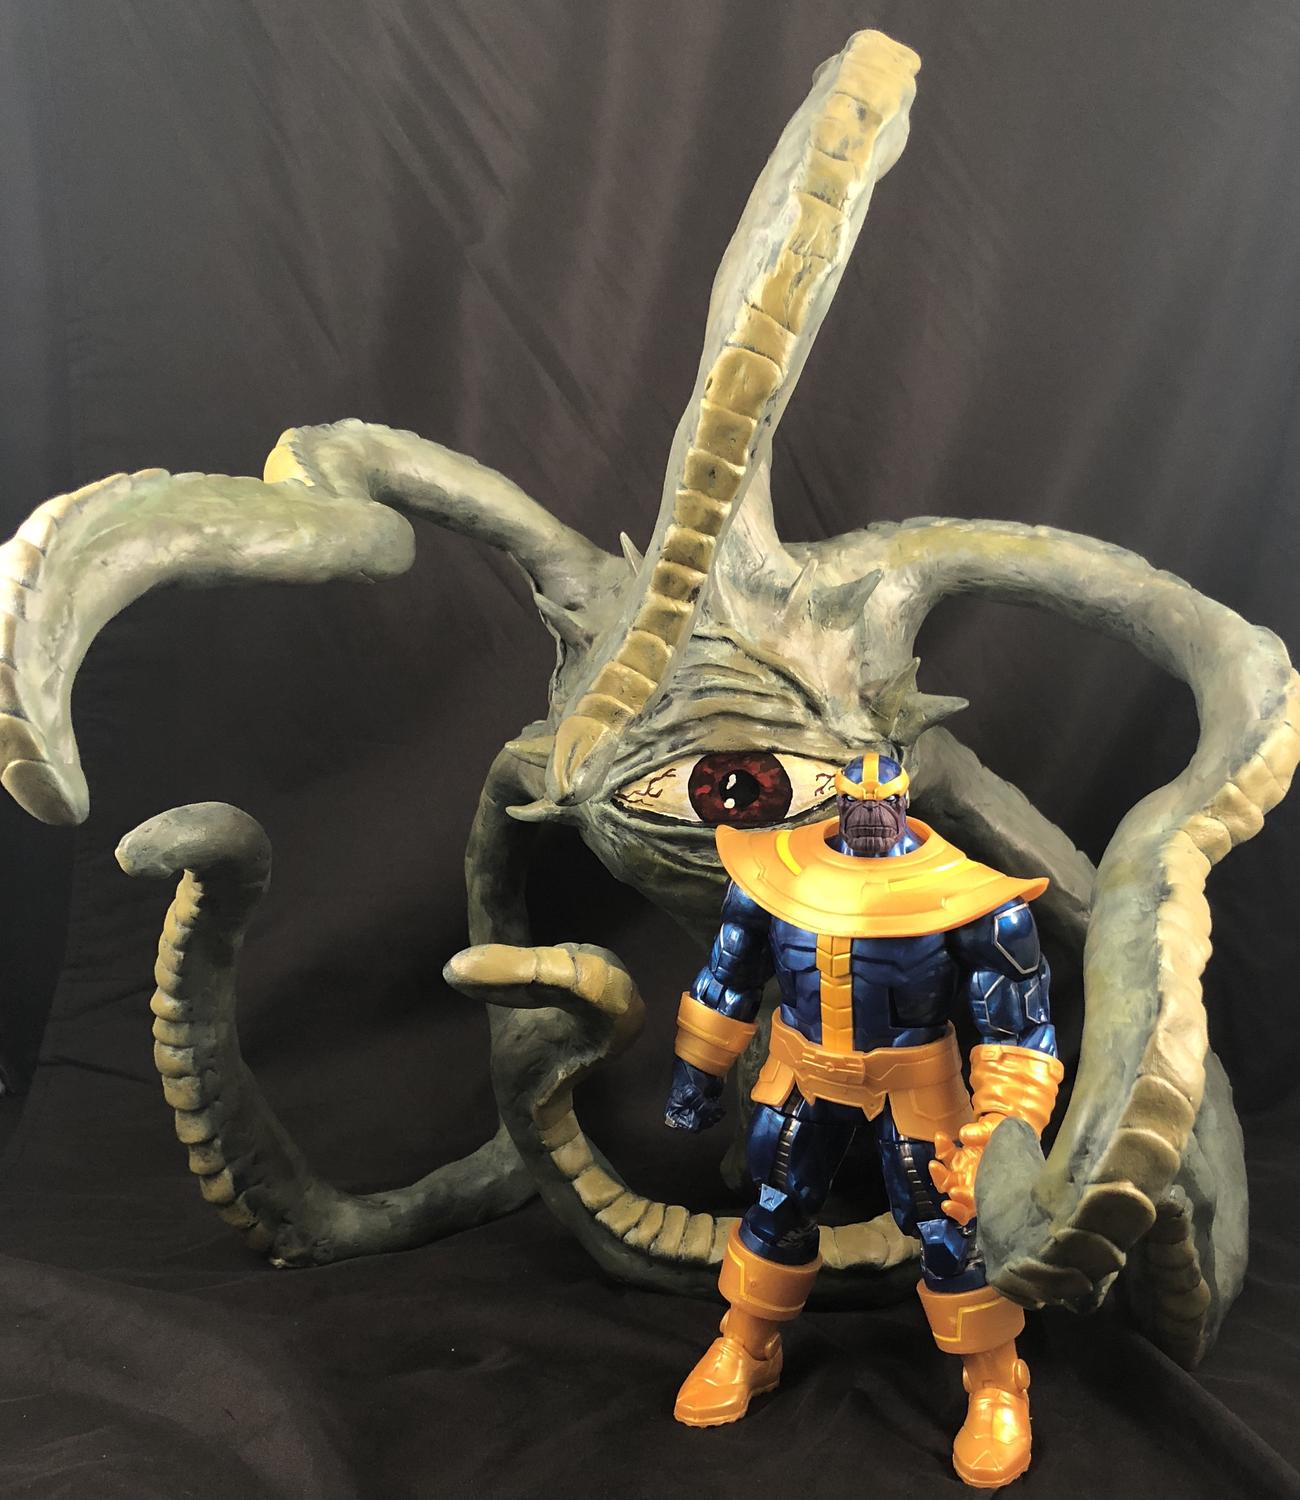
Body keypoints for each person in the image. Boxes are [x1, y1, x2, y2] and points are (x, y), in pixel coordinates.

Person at [665, 751, 1063, 1489]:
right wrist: (699, 1071)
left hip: (913, 1082)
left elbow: (1017, 1026)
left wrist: (1002, 1130)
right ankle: (748, 1346)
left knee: (951, 1222)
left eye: (886, 803)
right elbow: (729, 974)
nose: (873, 817)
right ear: (838, 803)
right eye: (858, 803)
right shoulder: (774, 876)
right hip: (803, 1072)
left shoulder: (968, 895)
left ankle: (997, 1385)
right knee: (776, 1204)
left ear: (905, 801)